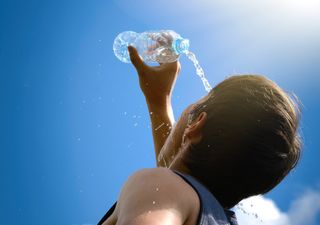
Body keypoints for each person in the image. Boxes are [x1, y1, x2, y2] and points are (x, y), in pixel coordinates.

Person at [97, 46, 302, 225]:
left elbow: (169, 184)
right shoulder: (211, 213)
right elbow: (179, 179)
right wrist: (159, 101)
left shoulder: (159, 185)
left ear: (196, 123)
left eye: (198, 101)